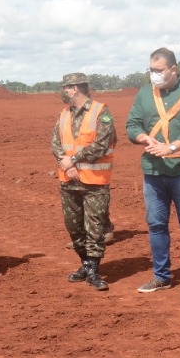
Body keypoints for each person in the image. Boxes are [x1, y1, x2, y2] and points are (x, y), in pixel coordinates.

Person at [124, 47, 180, 298]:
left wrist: (170, 147)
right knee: (156, 224)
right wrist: (143, 138)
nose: (154, 75)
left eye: (158, 70)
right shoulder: (144, 94)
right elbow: (132, 125)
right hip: (152, 170)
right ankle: (161, 276)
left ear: (173, 69)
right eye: (151, 70)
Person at [52, 73, 117, 291]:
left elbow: (101, 144)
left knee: (95, 228)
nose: (63, 91)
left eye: (66, 87)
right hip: (69, 181)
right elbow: (55, 143)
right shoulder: (64, 114)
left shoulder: (101, 112)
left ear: (76, 89)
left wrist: (73, 159)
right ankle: (85, 264)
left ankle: (93, 271)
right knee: (74, 228)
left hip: (94, 182)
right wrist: (67, 165)